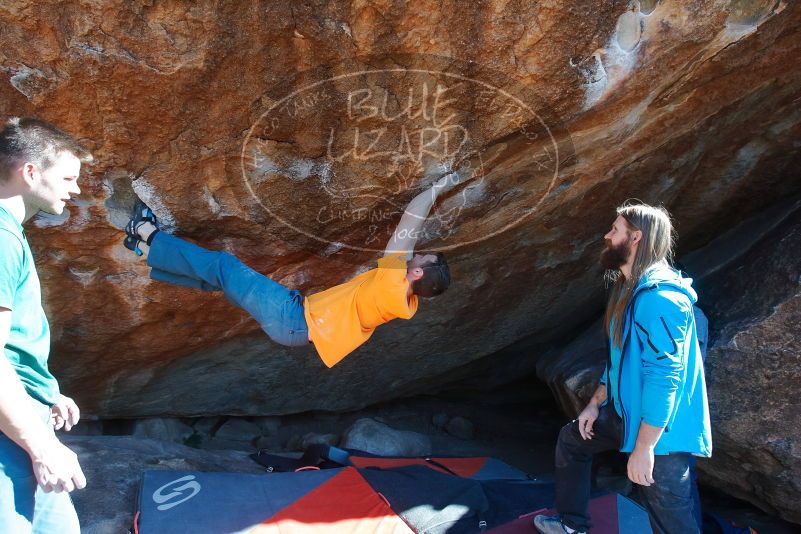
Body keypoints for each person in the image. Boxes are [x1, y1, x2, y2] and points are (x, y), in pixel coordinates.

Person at [123, 173, 457, 367]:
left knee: (224, 266)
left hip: (292, 318)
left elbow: (408, 226)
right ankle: (145, 250)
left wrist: (437, 188)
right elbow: (409, 243)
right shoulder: (402, 301)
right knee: (222, 281)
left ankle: (145, 231)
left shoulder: (391, 286)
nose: (416, 256)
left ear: (416, 275)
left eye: (420, 260)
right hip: (295, 323)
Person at [534, 202, 712, 534]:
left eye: (615, 229)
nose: (607, 235)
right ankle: (572, 524)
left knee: (673, 521)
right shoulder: (628, 290)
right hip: (624, 415)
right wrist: (594, 403)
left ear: (636, 238)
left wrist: (644, 448)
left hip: (662, 435)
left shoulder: (660, 299)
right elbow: (619, 360)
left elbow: (666, 380)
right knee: (573, 440)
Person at [0, 117, 93, 532]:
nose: (76, 189)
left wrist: (43, 391)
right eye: (69, 177)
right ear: (31, 172)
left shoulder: (11, 236)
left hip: (20, 419)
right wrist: (41, 447)